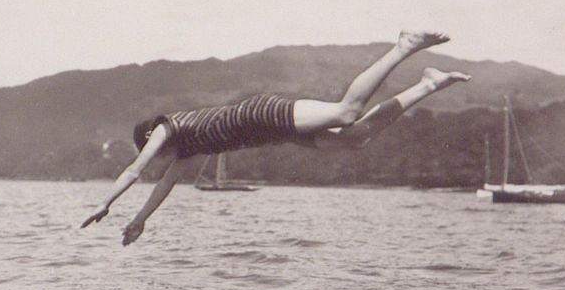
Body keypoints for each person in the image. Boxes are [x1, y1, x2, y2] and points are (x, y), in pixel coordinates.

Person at [80, 31, 470, 245]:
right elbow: (162, 189)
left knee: (346, 113)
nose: (157, 161)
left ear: (150, 136)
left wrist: (104, 204)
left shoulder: (167, 128)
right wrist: (139, 221)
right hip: (271, 133)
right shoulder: (187, 150)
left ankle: (402, 48)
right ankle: (427, 85)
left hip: (262, 114)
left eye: (153, 151)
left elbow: (135, 171)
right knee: (356, 138)